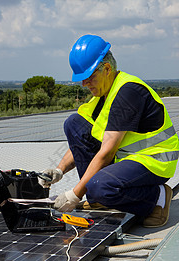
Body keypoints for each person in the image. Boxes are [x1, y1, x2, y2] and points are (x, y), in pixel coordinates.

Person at [39, 34, 179, 228]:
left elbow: (106, 153)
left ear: (106, 68)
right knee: (74, 124)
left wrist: (75, 194)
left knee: (99, 187)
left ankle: (157, 197)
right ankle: (99, 195)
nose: (84, 84)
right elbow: (85, 139)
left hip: (154, 160)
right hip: (129, 158)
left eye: (89, 77)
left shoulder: (127, 92)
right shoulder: (103, 95)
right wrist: (59, 170)